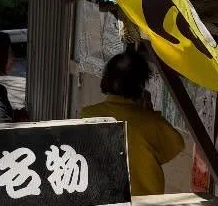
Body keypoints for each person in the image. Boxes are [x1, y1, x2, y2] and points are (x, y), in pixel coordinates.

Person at [79, 50, 185, 196]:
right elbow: (176, 145)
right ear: (141, 87)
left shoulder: (85, 116)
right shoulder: (152, 124)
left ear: (106, 79)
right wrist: (149, 114)